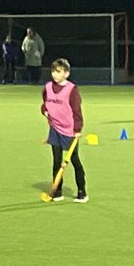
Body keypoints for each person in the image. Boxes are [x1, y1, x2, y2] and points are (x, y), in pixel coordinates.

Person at [41, 58, 87, 203]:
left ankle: (82, 192)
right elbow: (45, 103)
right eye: (53, 71)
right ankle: (57, 191)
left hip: (69, 131)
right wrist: (45, 111)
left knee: (75, 161)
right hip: (55, 129)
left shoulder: (71, 90)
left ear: (66, 74)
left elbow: (77, 111)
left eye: (59, 72)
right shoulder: (47, 87)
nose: (55, 74)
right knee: (56, 161)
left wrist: (78, 128)